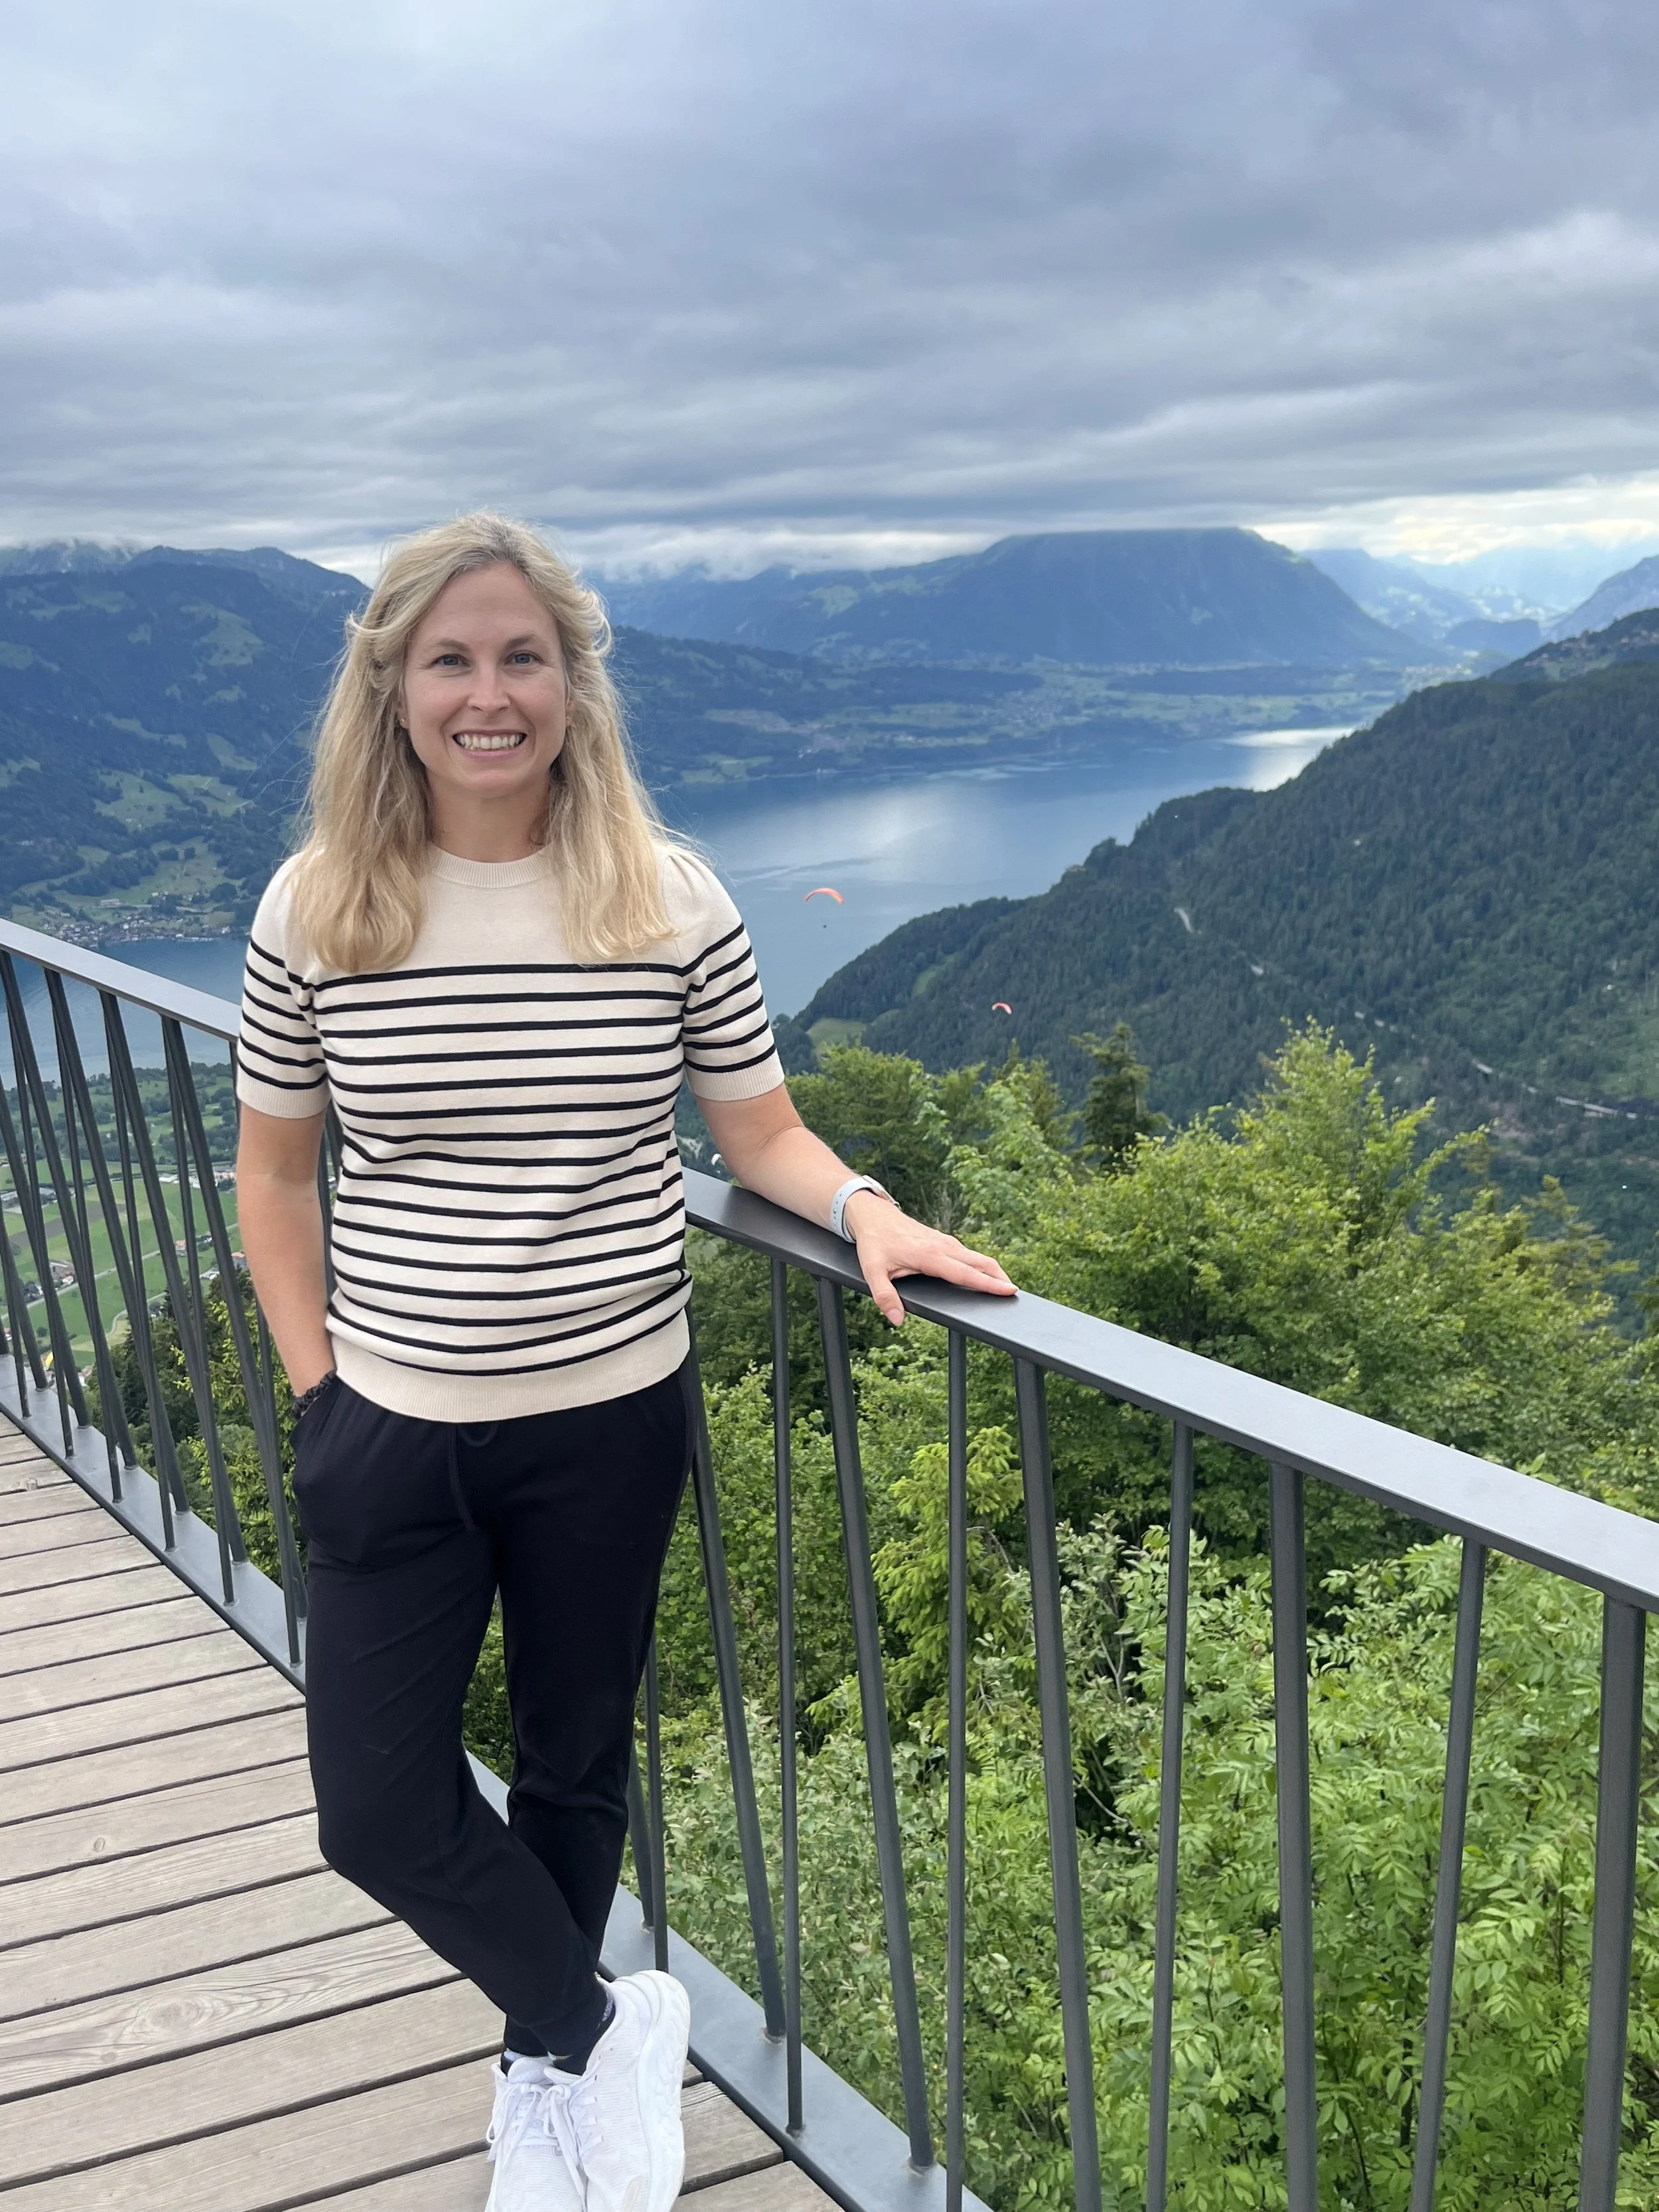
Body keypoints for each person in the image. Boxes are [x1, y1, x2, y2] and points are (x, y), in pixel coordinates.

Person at [234, 513, 1016, 2212]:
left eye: (524, 657)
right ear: (391, 686)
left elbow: (762, 1131)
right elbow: (275, 1175)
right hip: (391, 1422)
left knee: (576, 1761)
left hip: (605, 1421)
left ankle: (542, 2079)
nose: (489, 694)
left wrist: (868, 1209)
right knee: (374, 1810)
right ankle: (600, 2023)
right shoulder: (318, 905)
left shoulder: (663, 897)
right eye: (451, 659)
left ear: (575, 683)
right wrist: (317, 1387)